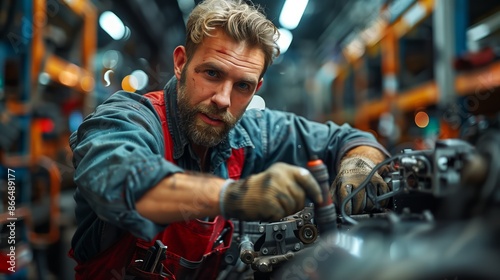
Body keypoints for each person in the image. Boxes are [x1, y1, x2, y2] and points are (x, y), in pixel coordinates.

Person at [68, 0, 391, 278]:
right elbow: (124, 183)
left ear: (257, 87)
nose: (223, 99)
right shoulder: (127, 120)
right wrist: (237, 196)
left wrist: (360, 163)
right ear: (181, 63)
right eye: (212, 73)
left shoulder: (250, 132)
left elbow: (347, 138)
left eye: (242, 86)